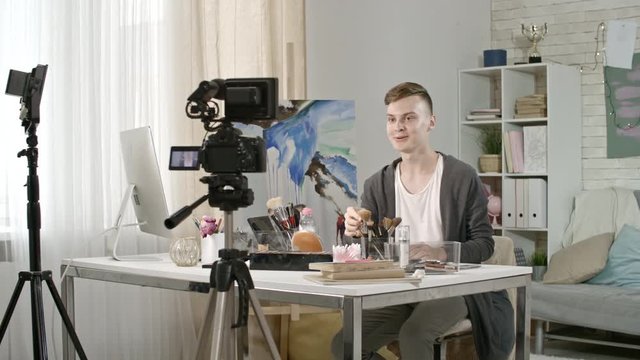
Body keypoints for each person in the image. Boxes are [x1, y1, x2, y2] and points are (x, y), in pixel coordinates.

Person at [331, 82, 514, 360]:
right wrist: (354, 232)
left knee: (414, 335)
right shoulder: (377, 184)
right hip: (401, 289)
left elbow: (484, 244)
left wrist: (441, 252)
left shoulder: (461, 177)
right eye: (392, 119)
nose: (398, 126)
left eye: (409, 117)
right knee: (344, 344)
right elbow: (364, 251)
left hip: (454, 288)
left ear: (431, 122)